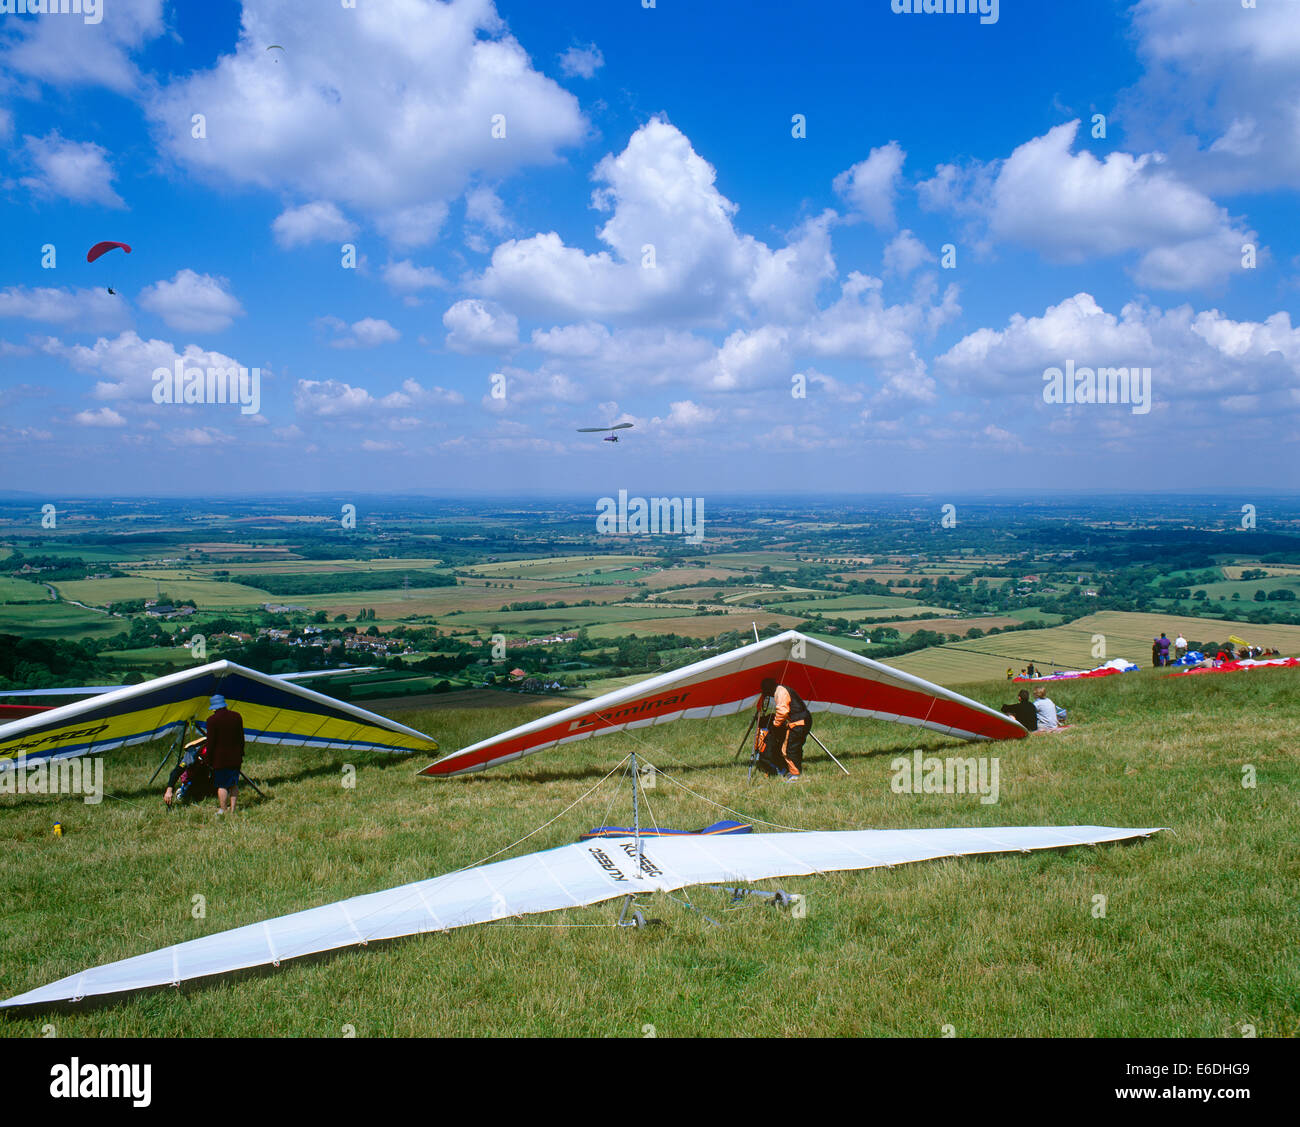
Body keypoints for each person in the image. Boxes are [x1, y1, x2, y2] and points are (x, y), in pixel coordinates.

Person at [756, 677, 812, 781]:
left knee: (788, 750)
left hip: (798, 722)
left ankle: (795, 775)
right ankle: (794, 771)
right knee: (795, 748)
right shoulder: (782, 689)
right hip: (803, 720)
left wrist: (775, 725)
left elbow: (782, 711)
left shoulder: (780, 691)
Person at [205, 693, 246, 814]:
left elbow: (210, 742)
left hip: (220, 759)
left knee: (222, 785)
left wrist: (208, 759)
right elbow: (241, 738)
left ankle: (223, 809)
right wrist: (241, 753)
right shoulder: (237, 716)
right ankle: (233, 810)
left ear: (214, 708)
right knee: (233, 784)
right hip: (235, 757)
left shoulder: (212, 720)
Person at [163, 737, 214, 808]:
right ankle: (183, 790)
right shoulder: (192, 753)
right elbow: (176, 771)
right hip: (194, 774)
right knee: (196, 794)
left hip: (208, 771)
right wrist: (169, 790)